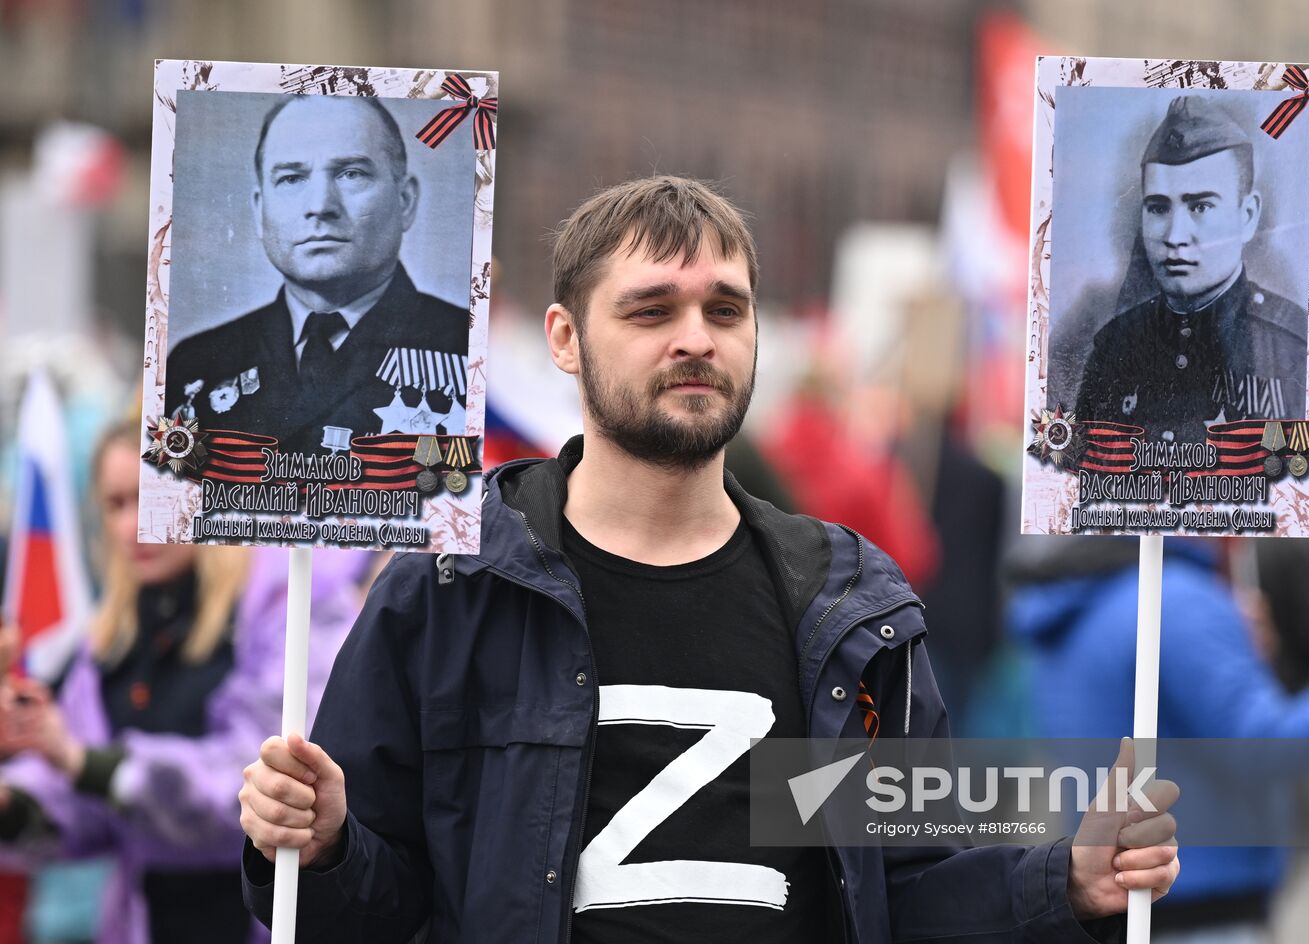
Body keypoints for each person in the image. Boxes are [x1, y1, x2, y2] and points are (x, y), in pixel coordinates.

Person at [238, 176, 1179, 943]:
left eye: (725, 308)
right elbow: (375, 907)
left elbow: (903, 897)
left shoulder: (847, 609)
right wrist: (319, 848)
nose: (697, 337)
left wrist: (1066, 882)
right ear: (564, 338)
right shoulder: (451, 587)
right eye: (652, 311)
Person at [0, 417, 369, 944]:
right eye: (115, 504)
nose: (133, 525)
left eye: (150, 496)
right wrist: (16, 802)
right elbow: (87, 805)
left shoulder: (290, 608)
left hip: (269, 918)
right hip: (147, 921)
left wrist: (86, 763)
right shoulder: (111, 638)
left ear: (202, 494)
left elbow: (264, 786)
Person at [1006, 535, 1309, 943]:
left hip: (1124, 890)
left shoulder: (1084, 598)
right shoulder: (1180, 602)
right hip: (1195, 893)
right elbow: (1264, 745)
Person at [165, 95, 473, 456]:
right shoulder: (196, 364)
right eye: (292, 178)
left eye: (352, 173)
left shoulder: (467, 352)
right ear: (260, 208)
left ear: (405, 201)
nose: (320, 206)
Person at [1073, 95, 1307, 444]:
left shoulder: (1293, 346)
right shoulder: (1113, 348)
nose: (1175, 236)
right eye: (1157, 208)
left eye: (1200, 206)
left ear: (1247, 216)